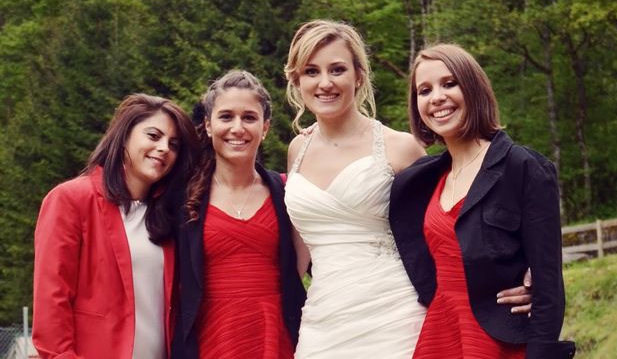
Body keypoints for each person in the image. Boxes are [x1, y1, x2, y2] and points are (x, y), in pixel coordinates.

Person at [283, 20, 532, 358]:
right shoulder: (297, 150)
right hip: (323, 321)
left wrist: (526, 271)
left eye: (337, 69)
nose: (325, 82)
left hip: (395, 315)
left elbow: (460, 221)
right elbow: (301, 247)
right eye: (311, 71)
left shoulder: (400, 148)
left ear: (358, 75)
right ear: (297, 80)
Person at [389, 44, 576, 358]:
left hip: (500, 342)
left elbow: (550, 290)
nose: (436, 97)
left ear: (473, 88)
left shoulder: (524, 168)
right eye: (424, 90)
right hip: (441, 334)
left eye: (450, 83)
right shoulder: (420, 178)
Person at [33, 93, 199, 359]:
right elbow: (51, 301)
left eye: (174, 144)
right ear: (124, 136)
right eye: (153, 136)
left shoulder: (169, 215)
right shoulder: (70, 200)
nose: (164, 148)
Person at [171, 70, 306, 359]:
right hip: (211, 337)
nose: (237, 127)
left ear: (265, 127)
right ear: (208, 125)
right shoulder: (183, 197)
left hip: (276, 336)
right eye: (226, 117)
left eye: (249, 117)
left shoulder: (286, 191)